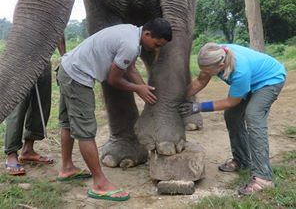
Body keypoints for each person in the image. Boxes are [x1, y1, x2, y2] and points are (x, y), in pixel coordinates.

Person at [56, 18, 172, 202]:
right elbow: (113, 80)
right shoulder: (130, 45)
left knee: (68, 124)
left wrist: (144, 90)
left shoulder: (132, 31)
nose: (156, 48)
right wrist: (137, 89)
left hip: (67, 69)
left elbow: (131, 68)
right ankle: (100, 184)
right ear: (148, 34)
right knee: (85, 131)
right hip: (77, 77)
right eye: (156, 44)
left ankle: (67, 168)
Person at [179, 42, 285, 195]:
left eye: (209, 71)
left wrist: (198, 107)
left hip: (270, 80)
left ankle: (263, 178)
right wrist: (178, 98)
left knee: (253, 116)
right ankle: (242, 161)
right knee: (232, 116)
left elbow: (231, 101)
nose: (205, 73)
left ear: (221, 65)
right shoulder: (214, 54)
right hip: (252, 80)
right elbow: (201, 81)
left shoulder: (240, 70)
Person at [4, 36, 66, 176]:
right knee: (19, 106)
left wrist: (64, 57)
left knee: (41, 106)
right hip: (22, 59)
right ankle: (11, 153)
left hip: (43, 59)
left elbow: (58, 31)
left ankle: (28, 150)